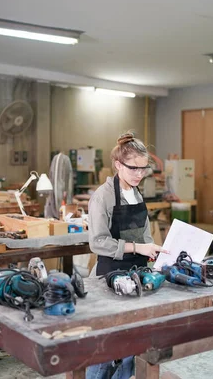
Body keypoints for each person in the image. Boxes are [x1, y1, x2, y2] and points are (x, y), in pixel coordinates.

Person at [86, 131, 166, 379]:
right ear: (118, 165)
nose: (139, 174)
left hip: (136, 271)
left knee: (133, 340)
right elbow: (98, 242)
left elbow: (143, 234)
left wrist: (152, 250)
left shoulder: (136, 192)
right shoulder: (103, 196)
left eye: (144, 169)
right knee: (108, 344)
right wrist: (135, 248)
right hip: (110, 272)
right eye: (134, 168)